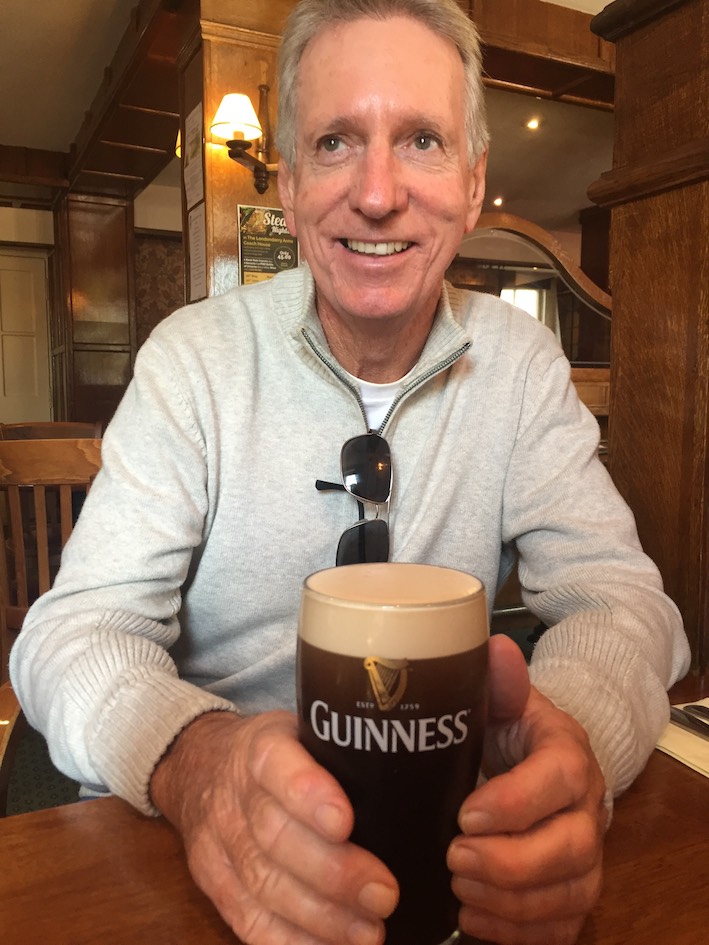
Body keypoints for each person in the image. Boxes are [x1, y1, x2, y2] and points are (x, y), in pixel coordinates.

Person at [11, 1, 690, 944]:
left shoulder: (521, 360)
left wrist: (569, 737)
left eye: (420, 139)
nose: (377, 193)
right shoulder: (194, 358)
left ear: (473, 177)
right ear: (286, 186)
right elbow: (72, 633)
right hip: (206, 867)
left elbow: (625, 605)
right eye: (335, 142)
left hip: (449, 855)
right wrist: (195, 763)